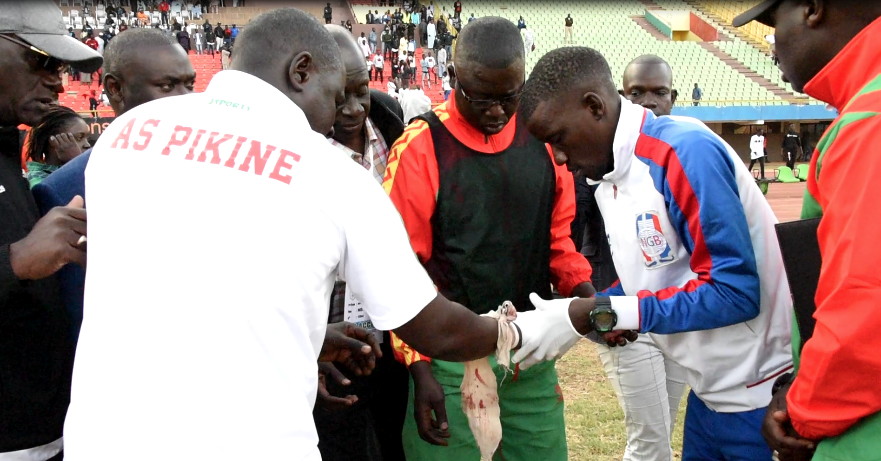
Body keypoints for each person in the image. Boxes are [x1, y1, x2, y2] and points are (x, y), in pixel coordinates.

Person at [61, 8, 591, 461]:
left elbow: (182, 286)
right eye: (334, 96)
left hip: (105, 438)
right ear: (302, 71)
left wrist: (310, 339)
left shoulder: (127, 135)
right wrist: (528, 330)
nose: (337, 116)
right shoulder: (329, 171)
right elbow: (433, 328)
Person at [520, 46, 794, 461]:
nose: (558, 158)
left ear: (594, 106)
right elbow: (655, 273)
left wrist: (606, 311)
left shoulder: (683, 151)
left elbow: (734, 291)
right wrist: (583, 310)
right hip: (708, 397)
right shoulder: (609, 177)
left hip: (762, 399)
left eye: (558, 139)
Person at [384, 17, 595, 461]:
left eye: (509, 96)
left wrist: (589, 297)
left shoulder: (542, 138)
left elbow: (558, 241)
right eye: (480, 98)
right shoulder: (422, 146)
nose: (497, 112)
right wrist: (418, 367)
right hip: (447, 357)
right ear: (455, 78)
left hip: (528, 351)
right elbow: (398, 270)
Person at [733, 2, 881, 460]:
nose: (770, 46)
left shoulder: (869, 121)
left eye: (773, 25)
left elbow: (866, 305)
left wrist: (801, 411)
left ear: (813, 8)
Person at [33, 28, 196, 342]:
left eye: (190, 84)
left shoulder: (215, 173)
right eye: (167, 86)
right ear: (116, 90)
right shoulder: (65, 189)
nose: (186, 100)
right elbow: (74, 313)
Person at [0, 2, 102, 460]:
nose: (58, 82)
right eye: (41, 62)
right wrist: (16, 261)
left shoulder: (8, 148)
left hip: (49, 431)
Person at [576, 54, 686, 461]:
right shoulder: (596, 165)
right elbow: (569, 245)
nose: (649, 101)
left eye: (659, 92)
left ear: (674, 98)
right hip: (621, 318)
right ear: (619, 98)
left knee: (662, 427)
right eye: (636, 92)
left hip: (675, 314)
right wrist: (600, 310)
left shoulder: (681, 159)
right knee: (651, 440)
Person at [316, 28, 410, 461]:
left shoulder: (391, 126)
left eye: (362, 91)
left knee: (395, 439)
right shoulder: (298, 150)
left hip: (395, 332)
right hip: (331, 341)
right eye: (340, 96)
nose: (353, 108)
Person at [25, 106, 91, 187]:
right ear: (54, 141)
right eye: (79, 137)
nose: (87, 145)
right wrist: (75, 161)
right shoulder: (37, 179)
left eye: (86, 138)